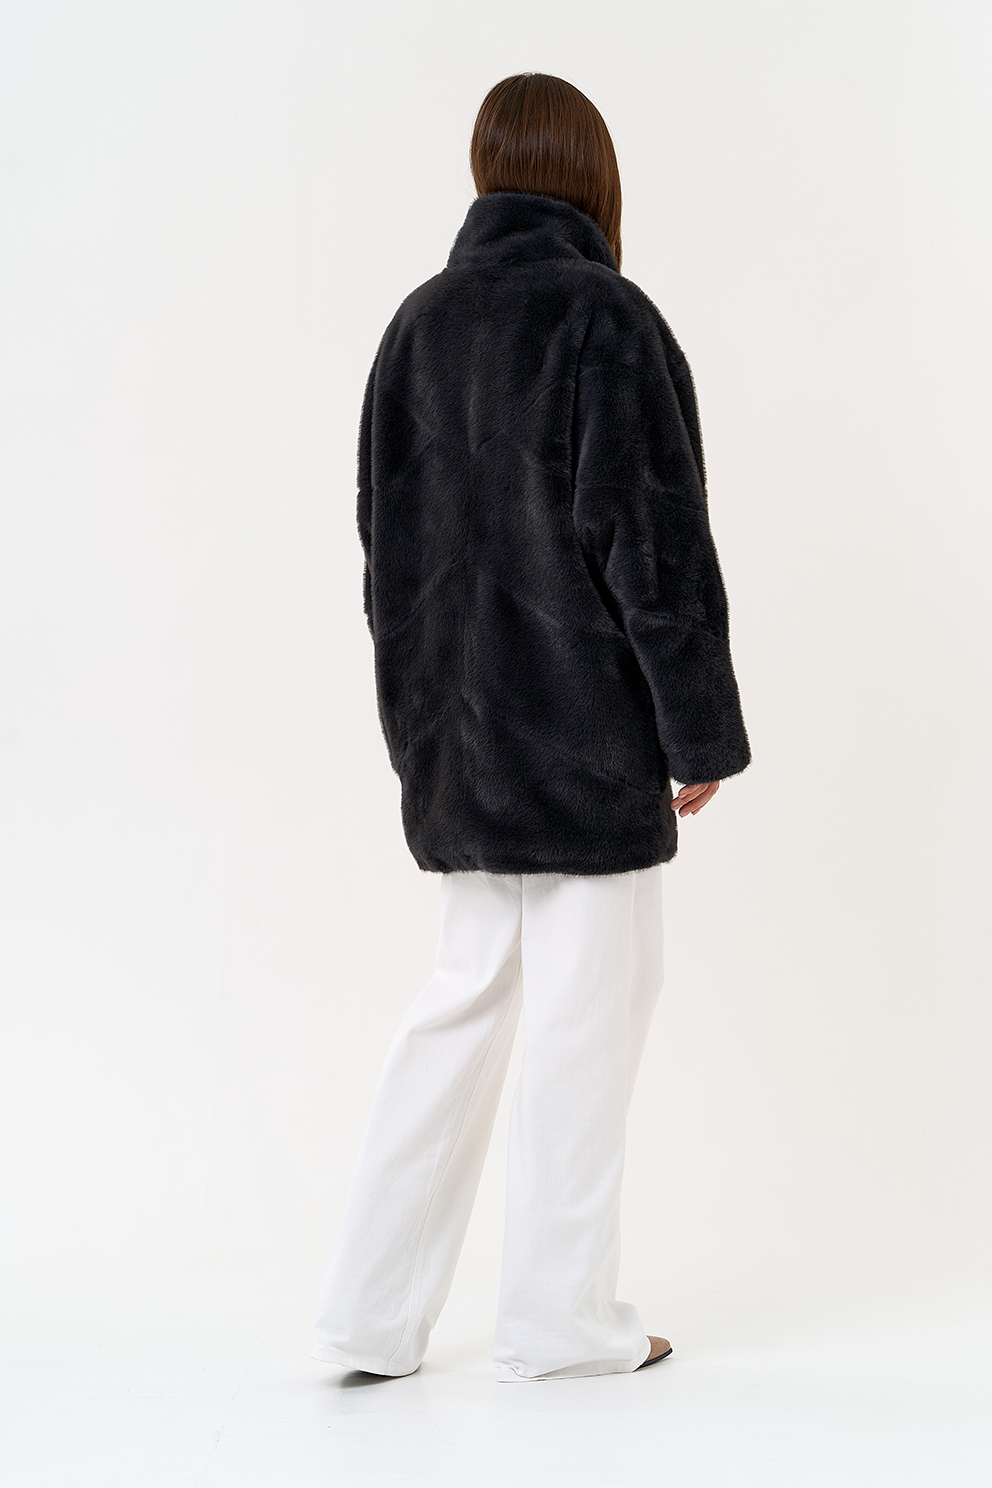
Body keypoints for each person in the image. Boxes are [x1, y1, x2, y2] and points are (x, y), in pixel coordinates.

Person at [312, 72, 751, 1383]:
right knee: (584, 1020)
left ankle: (369, 1314)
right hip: (585, 746)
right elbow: (652, 544)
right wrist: (697, 731)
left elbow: (383, 552)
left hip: (459, 742)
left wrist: (419, 731)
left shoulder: (416, 326)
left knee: (459, 1005)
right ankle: (560, 1321)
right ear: (592, 176)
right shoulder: (604, 318)